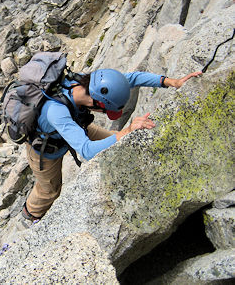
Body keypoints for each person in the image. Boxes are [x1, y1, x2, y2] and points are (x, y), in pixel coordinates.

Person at [22, 68, 202, 221]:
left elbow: (131, 79)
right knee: (50, 190)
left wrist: (172, 82)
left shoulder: (92, 84)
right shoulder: (57, 111)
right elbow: (87, 150)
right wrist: (128, 130)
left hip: (76, 126)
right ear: (99, 103)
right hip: (46, 149)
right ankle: (30, 215)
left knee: (117, 142)